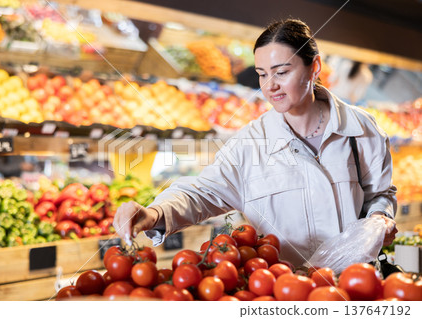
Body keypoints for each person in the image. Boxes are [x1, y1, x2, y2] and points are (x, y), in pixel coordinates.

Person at [113, 19, 398, 267]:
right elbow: (202, 192)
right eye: (262, 74)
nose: (269, 85)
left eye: (281, 72)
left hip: (357, 285)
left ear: (315, 67)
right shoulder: (251, 142)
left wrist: (379, 219)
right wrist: (154, 212)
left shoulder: (361, 129)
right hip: (282, 289)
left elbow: (380, 194)